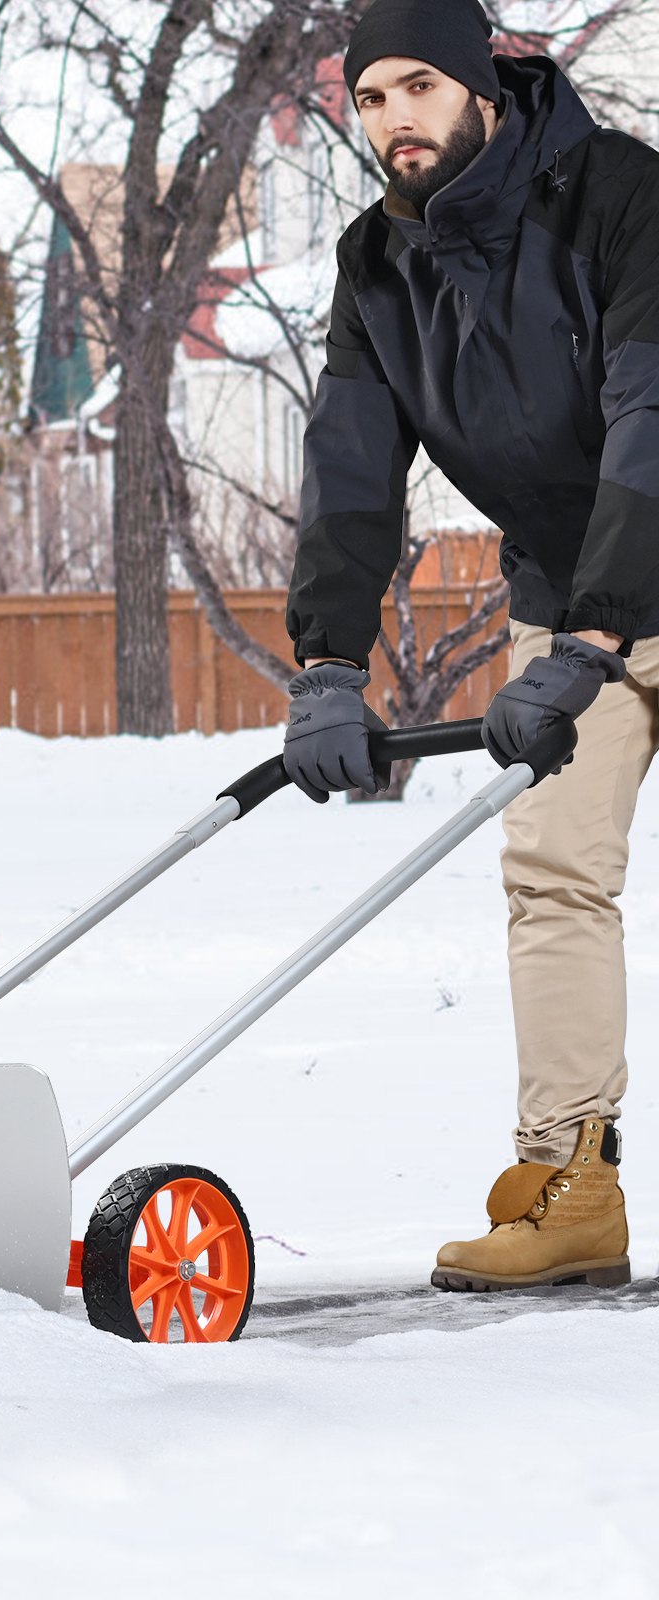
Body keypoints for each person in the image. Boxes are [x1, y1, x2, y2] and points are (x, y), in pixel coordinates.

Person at [281, 0, 659, 1291]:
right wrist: (327, 662)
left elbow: (650, 414)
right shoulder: (375, 267)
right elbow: (348, 469)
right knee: (552, 873)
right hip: (579, 602)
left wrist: (596, 631)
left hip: (613, 594)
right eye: (371, 97)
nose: (395, 120)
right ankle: (568, 1188)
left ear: (480, 83)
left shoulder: (618, 196)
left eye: (418, 88)